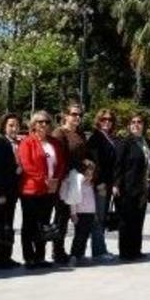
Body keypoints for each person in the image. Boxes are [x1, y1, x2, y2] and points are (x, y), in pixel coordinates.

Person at [18, 111, 67, 269]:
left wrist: (56, 180)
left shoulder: (54, 143)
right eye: (39, 122)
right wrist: (44, 180)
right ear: (33, 124)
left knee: (44, 224)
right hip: (31, 190)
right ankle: (29, 257)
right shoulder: (27, 142)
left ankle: (40, 256)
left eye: (46, 121)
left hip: (49, 190)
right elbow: (27, 165)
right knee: (29, 224)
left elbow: (61, 164)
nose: (43, 124)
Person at [51, 102, 88, 264]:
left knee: (72, 215)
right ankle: (57, 251)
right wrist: (64, 175)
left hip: (77, 180)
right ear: (65, 116)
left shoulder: (80, 133)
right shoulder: (59, 133)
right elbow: (58, 157)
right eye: (74, 114)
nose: (77, 117)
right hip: (64, 181)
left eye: (79, 115)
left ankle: (71, 250)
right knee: (61, 217)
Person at [0, 113, 22, 270]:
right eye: (11, 125)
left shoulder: (18, 144)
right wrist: (0, 193)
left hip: (12, 193)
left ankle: (6, 256)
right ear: (4, 127)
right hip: (0, 193)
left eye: (16, 125)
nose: (14, 128)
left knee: (8, 225)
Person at [114, 114, 150, 261]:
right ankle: (125, 252)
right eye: (133, 122)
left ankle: (136, 249)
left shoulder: (147, 142)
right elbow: (118, 165)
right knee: (126, 221)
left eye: (139, 122)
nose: (136, 125)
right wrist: (116, 184)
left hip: (142, 188)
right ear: (129, 126)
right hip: (126, 188)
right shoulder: (125, 143)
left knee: (138, 219)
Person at [84, 109, 118, 260]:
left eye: (110, 119)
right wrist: (99, 183)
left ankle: (101, 248)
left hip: (109, 184)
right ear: (98, 121)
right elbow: (95, 163)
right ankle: (98, 251)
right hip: (100, 185)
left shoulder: (111, 138)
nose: (107, 122)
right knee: (98, 218)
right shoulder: (95, 138)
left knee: (102, 216)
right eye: (103, 119)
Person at [68, 160, 98, 267]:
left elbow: (92, 200)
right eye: (87, 174)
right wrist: (73, 213)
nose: (89, 176)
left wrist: (94, 213)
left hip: (89, 213)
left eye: (91, 174)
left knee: (85, 235)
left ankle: (81, 254)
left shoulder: (90, 184)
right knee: (79, 236)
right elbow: (73, 200)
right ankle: (74, 255)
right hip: (80, 213)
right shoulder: (78, 184)